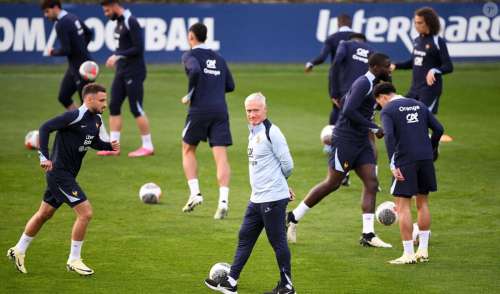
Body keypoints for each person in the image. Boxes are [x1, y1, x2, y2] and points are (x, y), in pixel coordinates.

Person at [6, 83, 120, 275]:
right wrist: (43, 156)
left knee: (44, 214)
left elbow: (90, 140)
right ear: (89, 99)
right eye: (102, 100)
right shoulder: (74, 116)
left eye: (105, 100)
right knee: (86, 213)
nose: (105, 104)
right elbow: (45, 128)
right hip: (60, 174)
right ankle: (74, 259)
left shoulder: (97, 119)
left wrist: (109, 146)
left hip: (67, 175)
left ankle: (18, 249)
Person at [287, 53, 392, 248]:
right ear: (376, 67)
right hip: (345, 141)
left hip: (361, 142)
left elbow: (345, 101)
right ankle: (294, 216)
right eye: (387, 65)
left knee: (371, 182)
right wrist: (373, 126)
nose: (390, 68)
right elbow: (348, 111)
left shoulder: (375, 83)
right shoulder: (363, 83)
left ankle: (368, 234)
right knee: (332, 183)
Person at [205, 92, 296, 294]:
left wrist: (281, 185)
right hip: (257, 198)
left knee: (277, 241)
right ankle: (231, 282)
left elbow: (288, 165)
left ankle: (287, 286)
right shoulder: (253, 131)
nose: (252, 114)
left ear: (265, 109)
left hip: (272, 198)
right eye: (248, 110)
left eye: (256, 110)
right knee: (245, 235)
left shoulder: (272, 132)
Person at [373, 82, 443, 264]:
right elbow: (439, 129)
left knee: (403, 205)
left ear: (383, 97)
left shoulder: (388, 110)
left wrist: (392, 162)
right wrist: (432, 148)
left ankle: (408, 254)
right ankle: (423, 250)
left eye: (378, 102)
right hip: (425, 158)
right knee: (423, 202)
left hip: (405, 160)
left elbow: (388, 135)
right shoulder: (419, 105)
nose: (380, 106)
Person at [180, 23, 235, 219]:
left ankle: (195, 193)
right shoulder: (219, 58)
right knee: (221, 156)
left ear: (191, 36)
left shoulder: (190, 55)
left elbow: (194, 71)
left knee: (187, 149)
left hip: (199, 109)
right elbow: (230, 85)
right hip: (220, 110)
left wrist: (190, 93)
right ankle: (223, 202)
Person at [98, 0, 154, 157]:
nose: (106, 14)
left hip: (134, 72)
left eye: (107, 10)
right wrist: (119, 59)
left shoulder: (131, 21)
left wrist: (118, 55)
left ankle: (148, 146)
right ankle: (114, 147)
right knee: (114, 105)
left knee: (136, 108)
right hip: (122, 71)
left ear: (115, 5)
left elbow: (138, 48)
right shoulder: (120, 22)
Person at [391, 7, 453, 142]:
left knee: (420, 119)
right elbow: (414, 62)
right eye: (415, 22)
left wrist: (435, 70)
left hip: (430, 90)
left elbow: (448, 66)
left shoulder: (437, 41)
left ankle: (429, 148)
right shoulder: (417, 40)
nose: (416, 26)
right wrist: (396, 65)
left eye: (420, 23)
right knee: (402, 111)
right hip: (415, 89)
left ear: (429, 23)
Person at [329, 33, 375, 185]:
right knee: (368, 136)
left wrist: (334, 91)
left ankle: (343, 173)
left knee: (344, 132)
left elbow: (336, 62)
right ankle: (373, 176)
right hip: (366, 96)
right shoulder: (370, 50)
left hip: (346, 95)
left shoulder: (345, 45)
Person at [305, 14, 354, 126]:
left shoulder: (332, 38)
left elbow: (322, 57)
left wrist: (311, 63)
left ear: (338, 23)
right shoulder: (358, 37)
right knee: (355, 106)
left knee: (336, 107)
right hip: (354, 77)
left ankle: (332, 136)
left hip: (336, 78)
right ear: (350, 23)